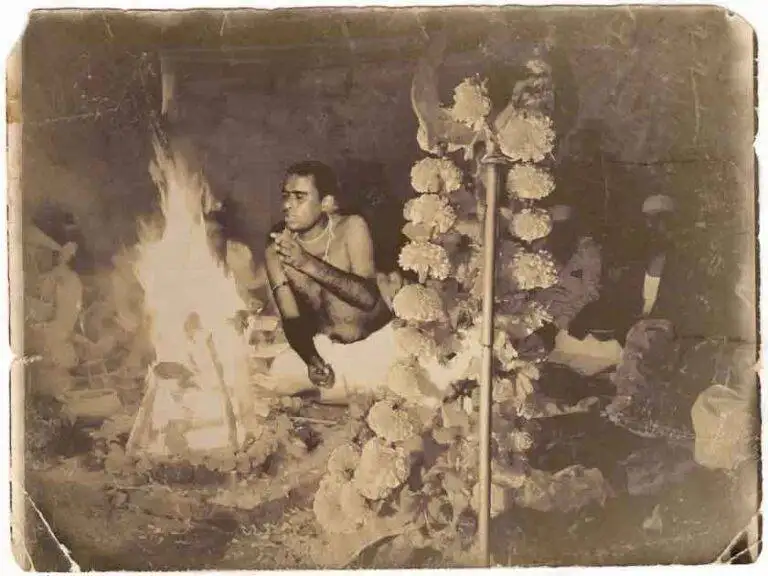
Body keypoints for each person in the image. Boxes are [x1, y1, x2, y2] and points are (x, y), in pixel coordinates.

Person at [263, 161, 395, 399]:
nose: (286, 205)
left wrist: (305, 263)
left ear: (327, 203)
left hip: (378, 345)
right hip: (329, 351)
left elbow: (368, 298)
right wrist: (312, 360)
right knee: (276, 379)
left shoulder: (352, 227)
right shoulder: (276, 249)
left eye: (299, 197)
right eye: (285, 196)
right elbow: (291, 318)